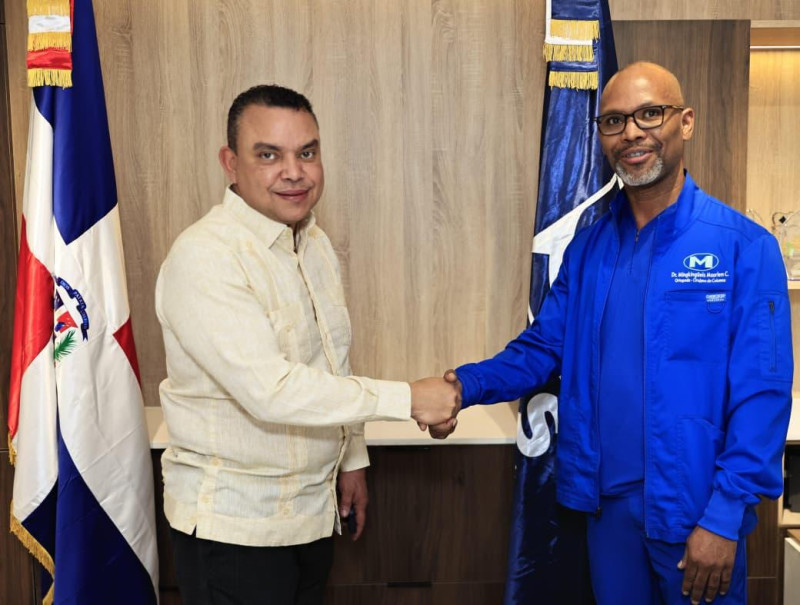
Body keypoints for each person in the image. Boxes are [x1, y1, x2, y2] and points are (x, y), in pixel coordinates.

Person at [435, 62, 793, 605]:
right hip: (605, 512)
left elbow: (763, 394)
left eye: (651, 114)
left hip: (696, 511)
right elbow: (542, 349)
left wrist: (723, 518)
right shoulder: (589, 249)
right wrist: (463, 386)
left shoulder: (744, 246)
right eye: (614, 121)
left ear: (686, 122)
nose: (632, 133)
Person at [155, 84, 458, 605]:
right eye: (268, 155)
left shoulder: (312, 242)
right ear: (230, 163)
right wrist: (409, 398)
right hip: (237, 532)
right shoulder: (205, 257)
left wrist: (352, 458)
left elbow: (331, 360)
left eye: (307, 153)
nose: (294, 171)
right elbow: (271, 390)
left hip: (310, 517)